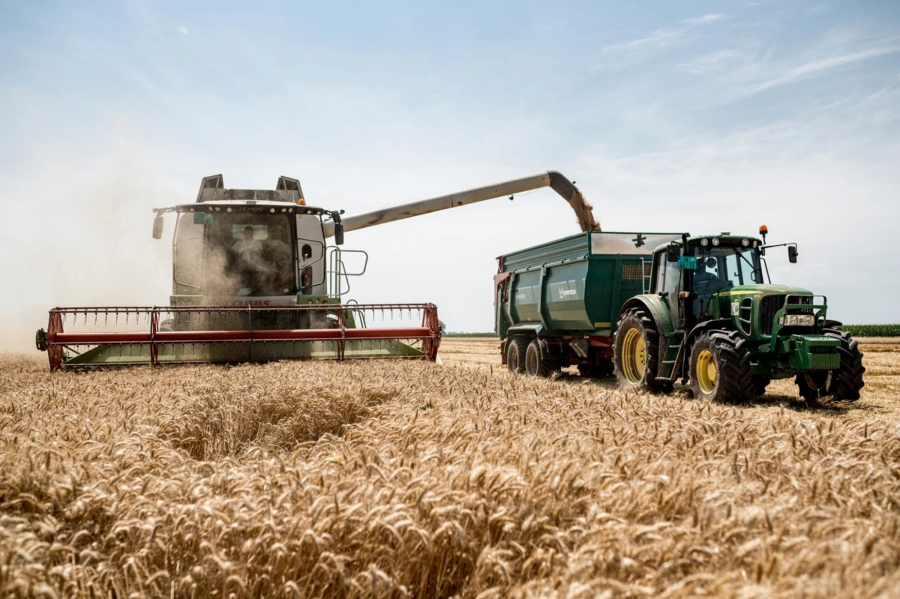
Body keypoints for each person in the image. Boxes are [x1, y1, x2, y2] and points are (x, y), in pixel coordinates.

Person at [233, 226, 264, 295]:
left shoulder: (257, 243)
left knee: (255, 281)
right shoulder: (239, 242)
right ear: (244, 233)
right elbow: (234, 253)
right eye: (247, 232)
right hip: (242, 266)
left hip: (254, 266)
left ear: (253, 233)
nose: (249, 234)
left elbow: (259, 253)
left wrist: (250, 252)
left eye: (251, 232)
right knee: (243, 281)